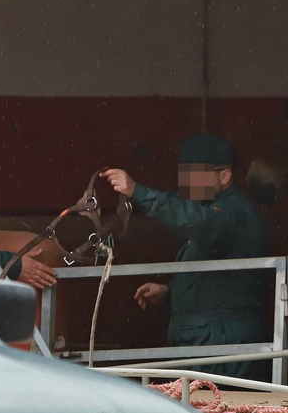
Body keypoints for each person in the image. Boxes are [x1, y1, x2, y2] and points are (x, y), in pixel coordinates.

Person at [104, 132, 270, 381]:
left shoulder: (232, 212)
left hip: (221, 348)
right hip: (209, 342)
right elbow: (218, 279)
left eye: (195, 175)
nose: (188, 183)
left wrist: (138, 192)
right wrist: (169, 291)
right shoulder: (210, 211)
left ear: (224, 176)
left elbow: (201, 223)